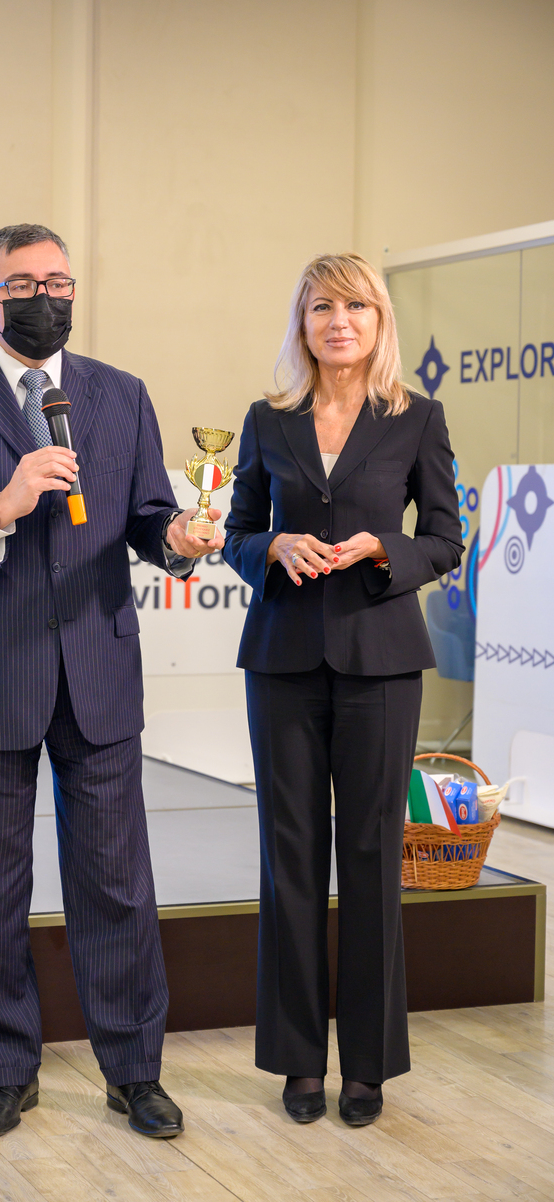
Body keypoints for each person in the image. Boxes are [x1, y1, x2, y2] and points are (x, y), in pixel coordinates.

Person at [0, 223, 221, 1140]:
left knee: (117, 884)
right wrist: (1, 504)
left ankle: (135, 1071)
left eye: (58, 281)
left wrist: (178, 540)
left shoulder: (120, 393)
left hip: (98, 670)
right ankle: (3, 1071)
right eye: (23, 284)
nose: (45, 297)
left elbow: (148, 514)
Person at [222, 253, 463, 1126]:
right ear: (304, 321)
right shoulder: (268, 419)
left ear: (378, 319)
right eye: (323, 306)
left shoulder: (416, 417)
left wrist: (383, 550)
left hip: (381, 662)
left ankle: (367, 1065)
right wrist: (272, 548)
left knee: (370, 857)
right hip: (282, 660)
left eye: (356, 306)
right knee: (288, 858)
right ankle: (297, 1060)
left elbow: (445, 538)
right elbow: (237, 532)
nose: (339, 322)